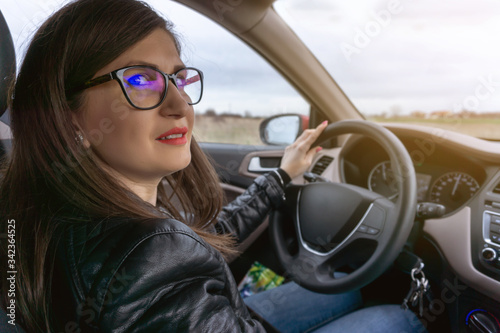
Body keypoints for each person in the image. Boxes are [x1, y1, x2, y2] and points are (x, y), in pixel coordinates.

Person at [0, 0, 426, 332]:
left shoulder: (43, 207)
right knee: (398, 320)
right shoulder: (148, 253)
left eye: (179, 79)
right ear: (67, 114)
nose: (179, 104)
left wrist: (281, 176)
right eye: (141, 80)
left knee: (347, 293)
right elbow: (167, 259)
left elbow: (200, 244)